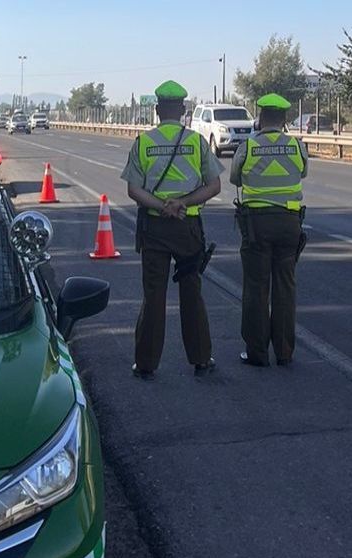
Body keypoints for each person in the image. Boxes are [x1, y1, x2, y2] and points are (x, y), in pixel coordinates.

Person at [121, 80, 224, 379]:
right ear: (182, 110)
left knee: (153, 295)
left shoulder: (143, 142)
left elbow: (133, 190)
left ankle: (146, 363)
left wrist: (162, 205)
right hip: (188, 227)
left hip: (154, 227)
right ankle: (201, 359)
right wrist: (182, 203)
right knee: (192, 293)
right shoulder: (196, 142)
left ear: (156, 110)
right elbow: (214, 186)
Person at [230, 93, 309, 367]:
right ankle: (285, 352)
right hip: (289, 223)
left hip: (257, 225)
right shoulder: (296, 146)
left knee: (256, 288)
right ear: (285, 119)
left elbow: (234, 178)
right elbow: (303, 173)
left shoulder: (249, 146)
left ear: (260, 118)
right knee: (285, 287)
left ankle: (257, 353)